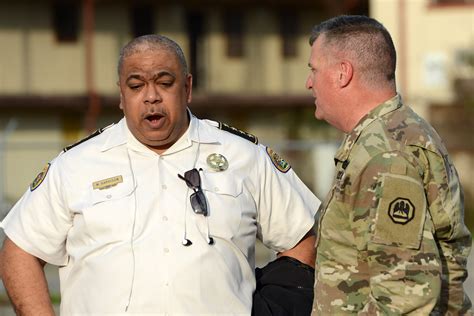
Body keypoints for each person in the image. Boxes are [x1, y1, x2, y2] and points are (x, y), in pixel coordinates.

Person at [0, 34, 320, 315]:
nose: (151, 96)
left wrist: (275, 305)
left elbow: (301, 237)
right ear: (121, 96)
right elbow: (20, 251)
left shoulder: (244, 156)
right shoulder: (77, 164)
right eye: (136, 85)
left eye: (165, 83)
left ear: (187, 88)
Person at [305, 15, 472, 315]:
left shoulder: (385, 154)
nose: (308, 83)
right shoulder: (384, 138)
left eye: (314, 70)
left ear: (342, 73)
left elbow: (404, 296)